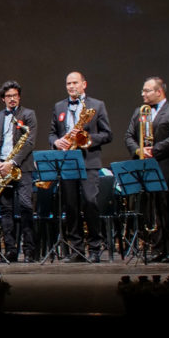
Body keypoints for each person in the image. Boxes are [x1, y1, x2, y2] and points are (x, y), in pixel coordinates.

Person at [49, 71, 112, 263]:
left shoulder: (97, 105)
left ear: (84, 84)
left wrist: (87, 139)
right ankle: (76, 249)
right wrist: (56, 142)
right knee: (71, 206)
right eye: (68, 83)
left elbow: (107, 134)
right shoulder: (59, 106)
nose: (71, 86)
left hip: (89, 161)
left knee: (90, 202)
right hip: (67, 161)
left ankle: (95, 248)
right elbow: (52, 133)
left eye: (75, 83)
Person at [124, 77, 169, 262]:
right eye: (143, 90)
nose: (143, 94)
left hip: (166, 166)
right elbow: (129, 136)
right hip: (145, 167)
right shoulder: (139, 111)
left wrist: (154, 150)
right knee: (150, 209)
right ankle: (157, 249)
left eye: (147, 90)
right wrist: (138, 150)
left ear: (159, 92)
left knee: (167, 208)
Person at [0, 80, 37, 262]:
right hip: (2, 169)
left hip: (22, 167)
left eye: (15, 95)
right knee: (6, 210)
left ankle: (29, 250)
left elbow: (29, 142)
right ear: (3, 99)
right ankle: (10, 250)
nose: (12, 99)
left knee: (25, 206)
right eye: (8, 96)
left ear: (19, 97)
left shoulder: (29, 114)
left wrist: (13, 162)